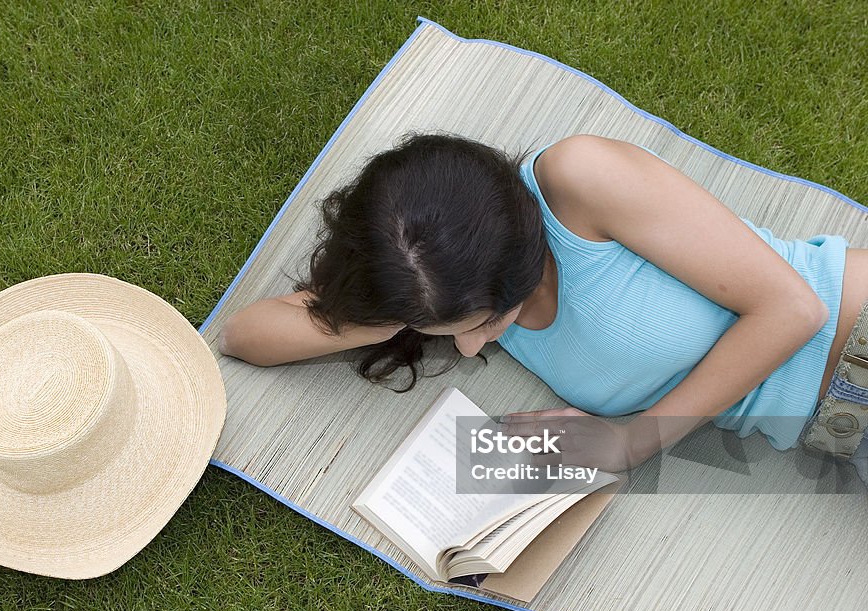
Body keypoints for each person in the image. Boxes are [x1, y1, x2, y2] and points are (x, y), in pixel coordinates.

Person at [218, 132, 868, 485]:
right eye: (453, 334)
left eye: (482, 325)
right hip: (836, 430)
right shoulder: (428, 281)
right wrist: (400, 304)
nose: (470, 349)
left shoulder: (580, 180)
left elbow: (794, 308)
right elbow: (244, 335)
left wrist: (627, 443)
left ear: (522, 260)